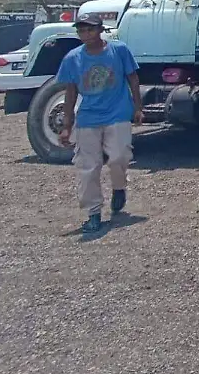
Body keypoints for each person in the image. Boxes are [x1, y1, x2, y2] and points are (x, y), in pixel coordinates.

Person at [56, 12, 144, 234]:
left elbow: (133, 78)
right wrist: (67, 125)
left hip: (118, 112)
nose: (86, 34)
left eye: (90, 29)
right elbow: (70, 92)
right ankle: (93, 213)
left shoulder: (119, 50)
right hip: (89, 117)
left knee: (120, 156)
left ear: (100, 30)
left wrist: (138, 107)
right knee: (88, 166)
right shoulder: (72, 58)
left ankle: (119, 187)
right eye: (81, 30)